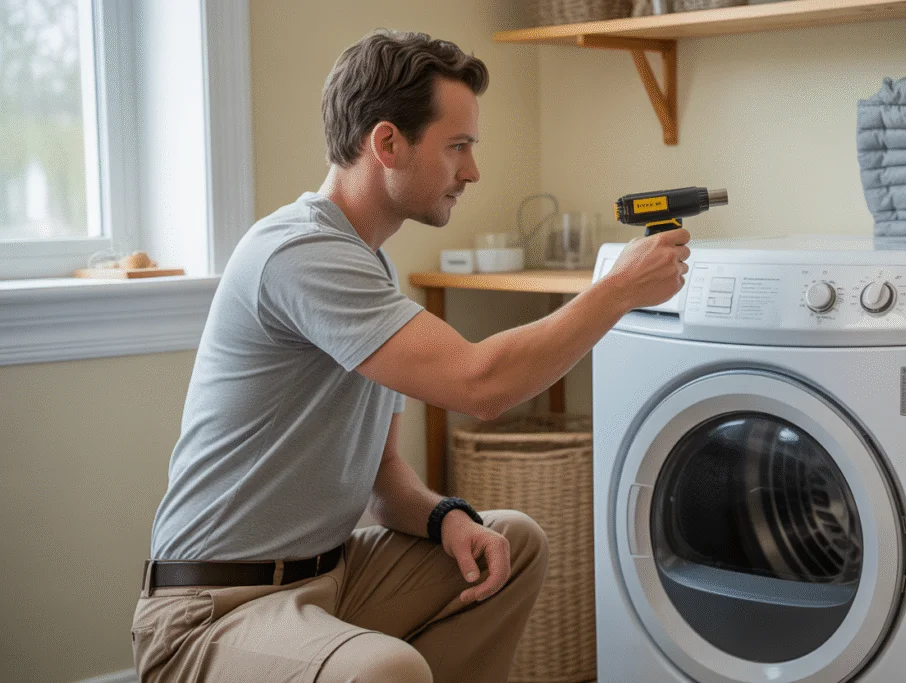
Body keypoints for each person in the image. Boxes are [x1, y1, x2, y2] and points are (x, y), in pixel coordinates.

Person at [130, 28, 691, 683]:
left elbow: (385, 476)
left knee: (512, 543)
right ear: (387, 142)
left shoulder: (370, 266)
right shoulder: (299, 253)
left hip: (330, 575)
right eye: (457, 147)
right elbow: (481, 385)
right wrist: (618, 288)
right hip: (213, 610)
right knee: (383, 670)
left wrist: (445, 516)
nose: (472, 171)